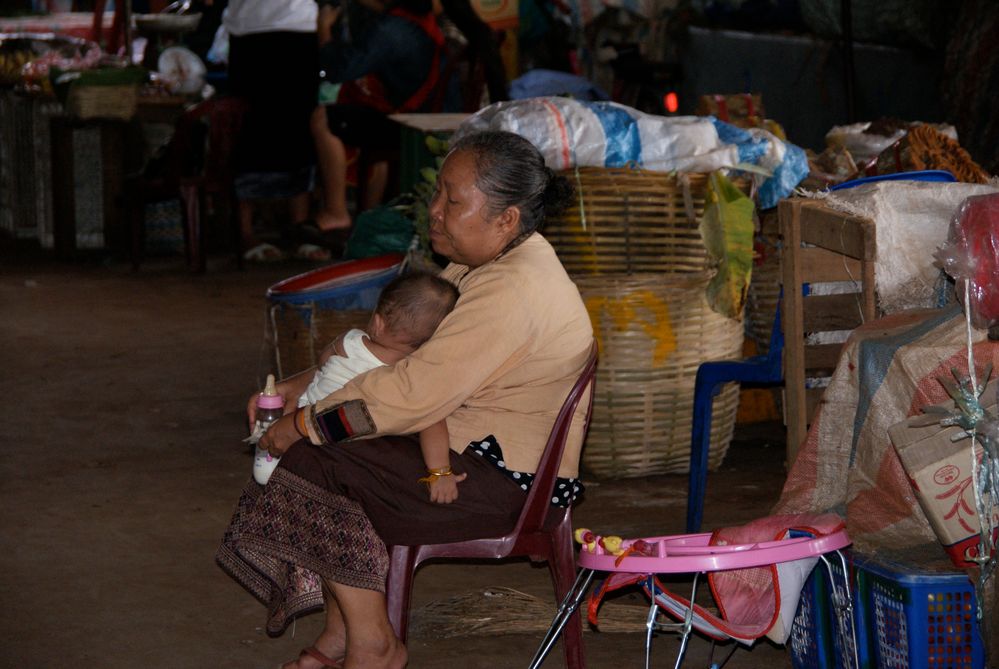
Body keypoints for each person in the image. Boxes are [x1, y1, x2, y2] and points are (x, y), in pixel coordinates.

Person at [217, 130, 594, 669]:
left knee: (309, 458)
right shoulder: (485, 264)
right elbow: (396, 354)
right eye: (438, 193)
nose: (435, 211)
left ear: (506, 219)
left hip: (500, 483)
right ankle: (345, 633)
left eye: (453, 200)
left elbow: (411, 392)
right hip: (464, 450)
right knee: (327, 450)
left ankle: (374, 645)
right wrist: (302, 385)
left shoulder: (512, 291)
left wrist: (303, 424)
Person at [253, 271, 464, 502]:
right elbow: (433, 423)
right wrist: (440, 471)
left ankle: (270, 468)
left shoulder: (350, 341)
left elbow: (323, 363)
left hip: (308, 418)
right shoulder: (415, 377)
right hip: (359, 444)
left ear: (377, 322)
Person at [309, 0, 451, 235]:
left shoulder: (392, 28)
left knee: (323, 117)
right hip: (414, 117)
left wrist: (323, 29)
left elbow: (339, 69)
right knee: (369, 119)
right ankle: (370, 213)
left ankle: (336, 211)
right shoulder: (417, 21)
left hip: (408, 124)